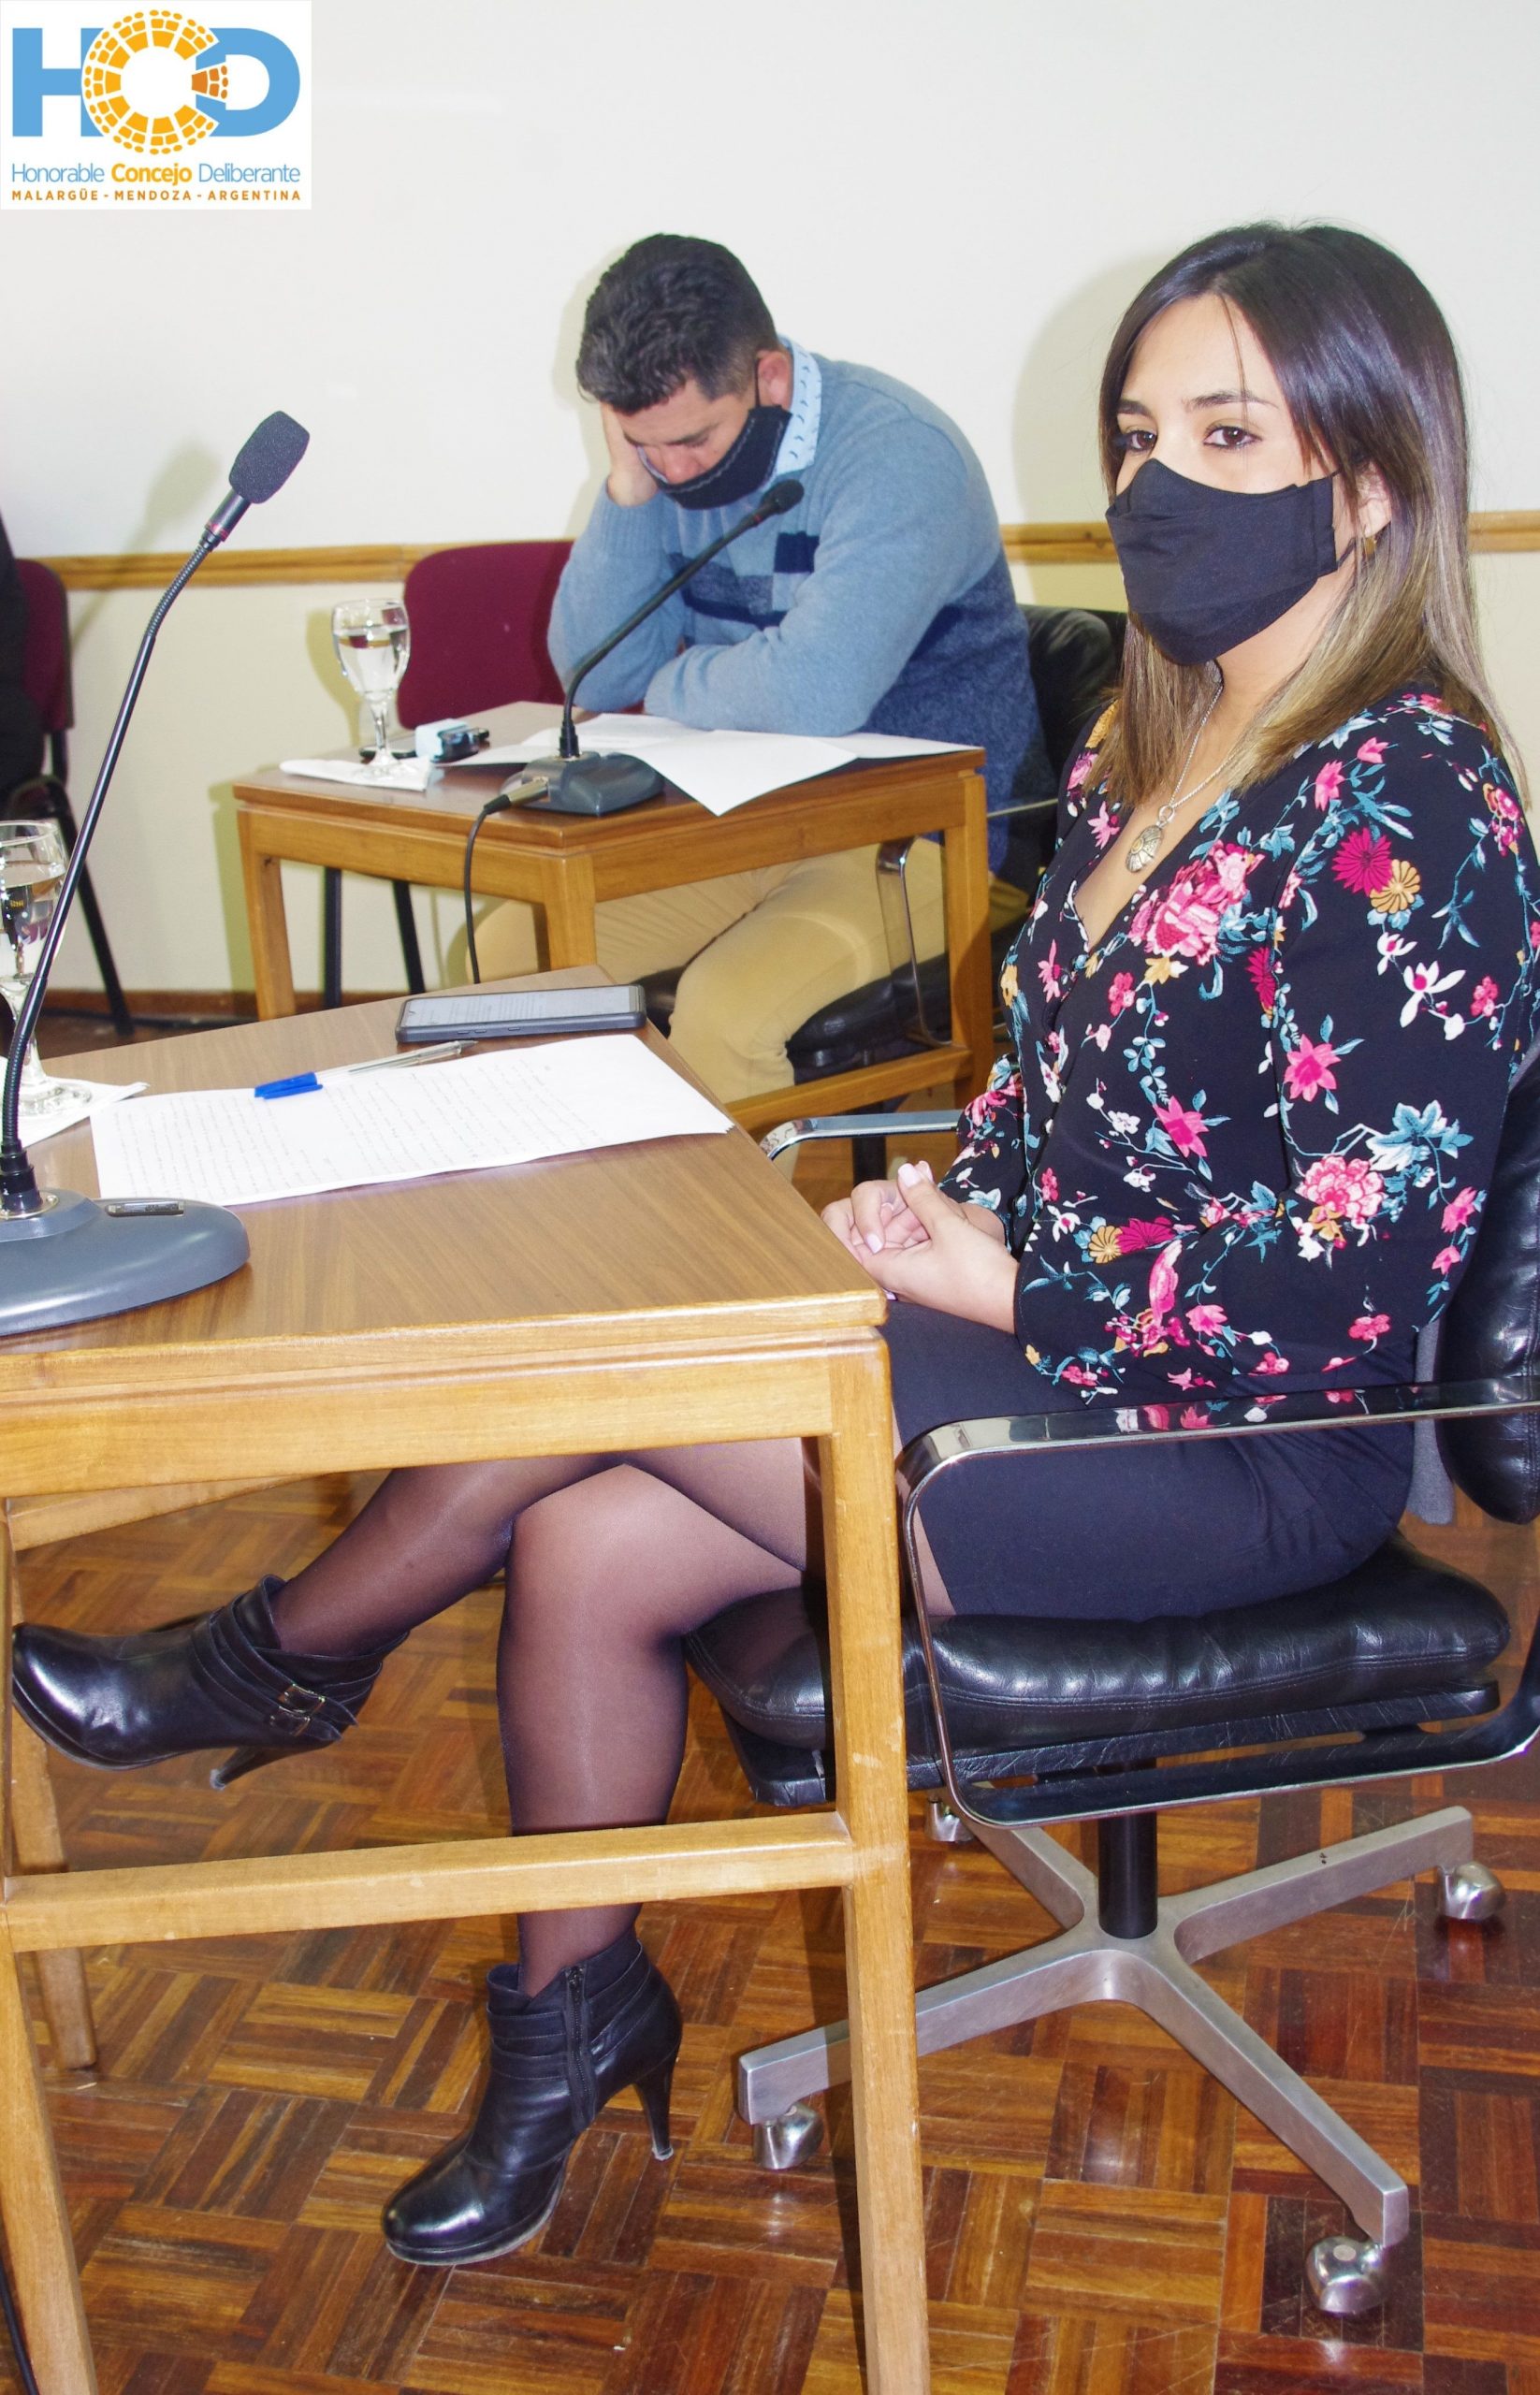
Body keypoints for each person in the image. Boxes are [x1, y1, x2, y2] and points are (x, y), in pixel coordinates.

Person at [16, 222, 1540, 2274]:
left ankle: (282, 1657)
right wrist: (950, 1207)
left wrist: (1020, 1286)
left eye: (1225, 435)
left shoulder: (1408, 802)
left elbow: (1353, 1284)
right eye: (1133, 434)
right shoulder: (1153, 742)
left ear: (1363, 484)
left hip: (1240, 1439)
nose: (1155, 483)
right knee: (585, 1537)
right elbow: (1055, 1093)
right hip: (1058, 1359)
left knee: (619, 1360)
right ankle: (568, 2020)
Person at [469, 233, 1053, 1102]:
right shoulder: (659, 474)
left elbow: (816, 690)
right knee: (516, 957)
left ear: (769, 377)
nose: (674, 470)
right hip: (753, 827)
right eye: (643, 443)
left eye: (692, 439)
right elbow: (596, 675)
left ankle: (712, 1202)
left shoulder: (896, 452)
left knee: (728, 1015)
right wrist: (626, 492)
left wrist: (675, 682)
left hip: (933, 840)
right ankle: (605, 1189)